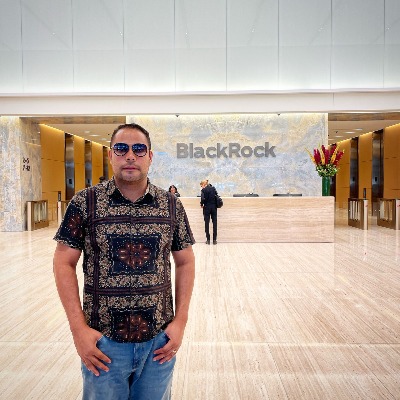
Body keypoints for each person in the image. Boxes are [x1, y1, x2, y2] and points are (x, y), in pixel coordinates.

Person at [53, 123, 195, 400]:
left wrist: (180, 322)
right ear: (110, 155)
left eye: (139, 149)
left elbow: (186, 262)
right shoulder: (85, 202)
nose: (130, 155)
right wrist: (78, 329)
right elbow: (63, 262)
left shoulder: (171, 205)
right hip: (103, 345)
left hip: (159, 344)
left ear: (150, 157)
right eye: (121, 148)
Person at [200, 179, 218, 245]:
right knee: (214, 223)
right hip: (214, 208)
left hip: (206, 208)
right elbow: (216, 196)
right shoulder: (213, 188)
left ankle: (208, 240)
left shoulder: (203, 190)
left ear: (204, 184)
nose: (201, 187)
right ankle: (214, 240)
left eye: (201, 185)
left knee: (207, 224)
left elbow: (202, 199)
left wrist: (201, 204)